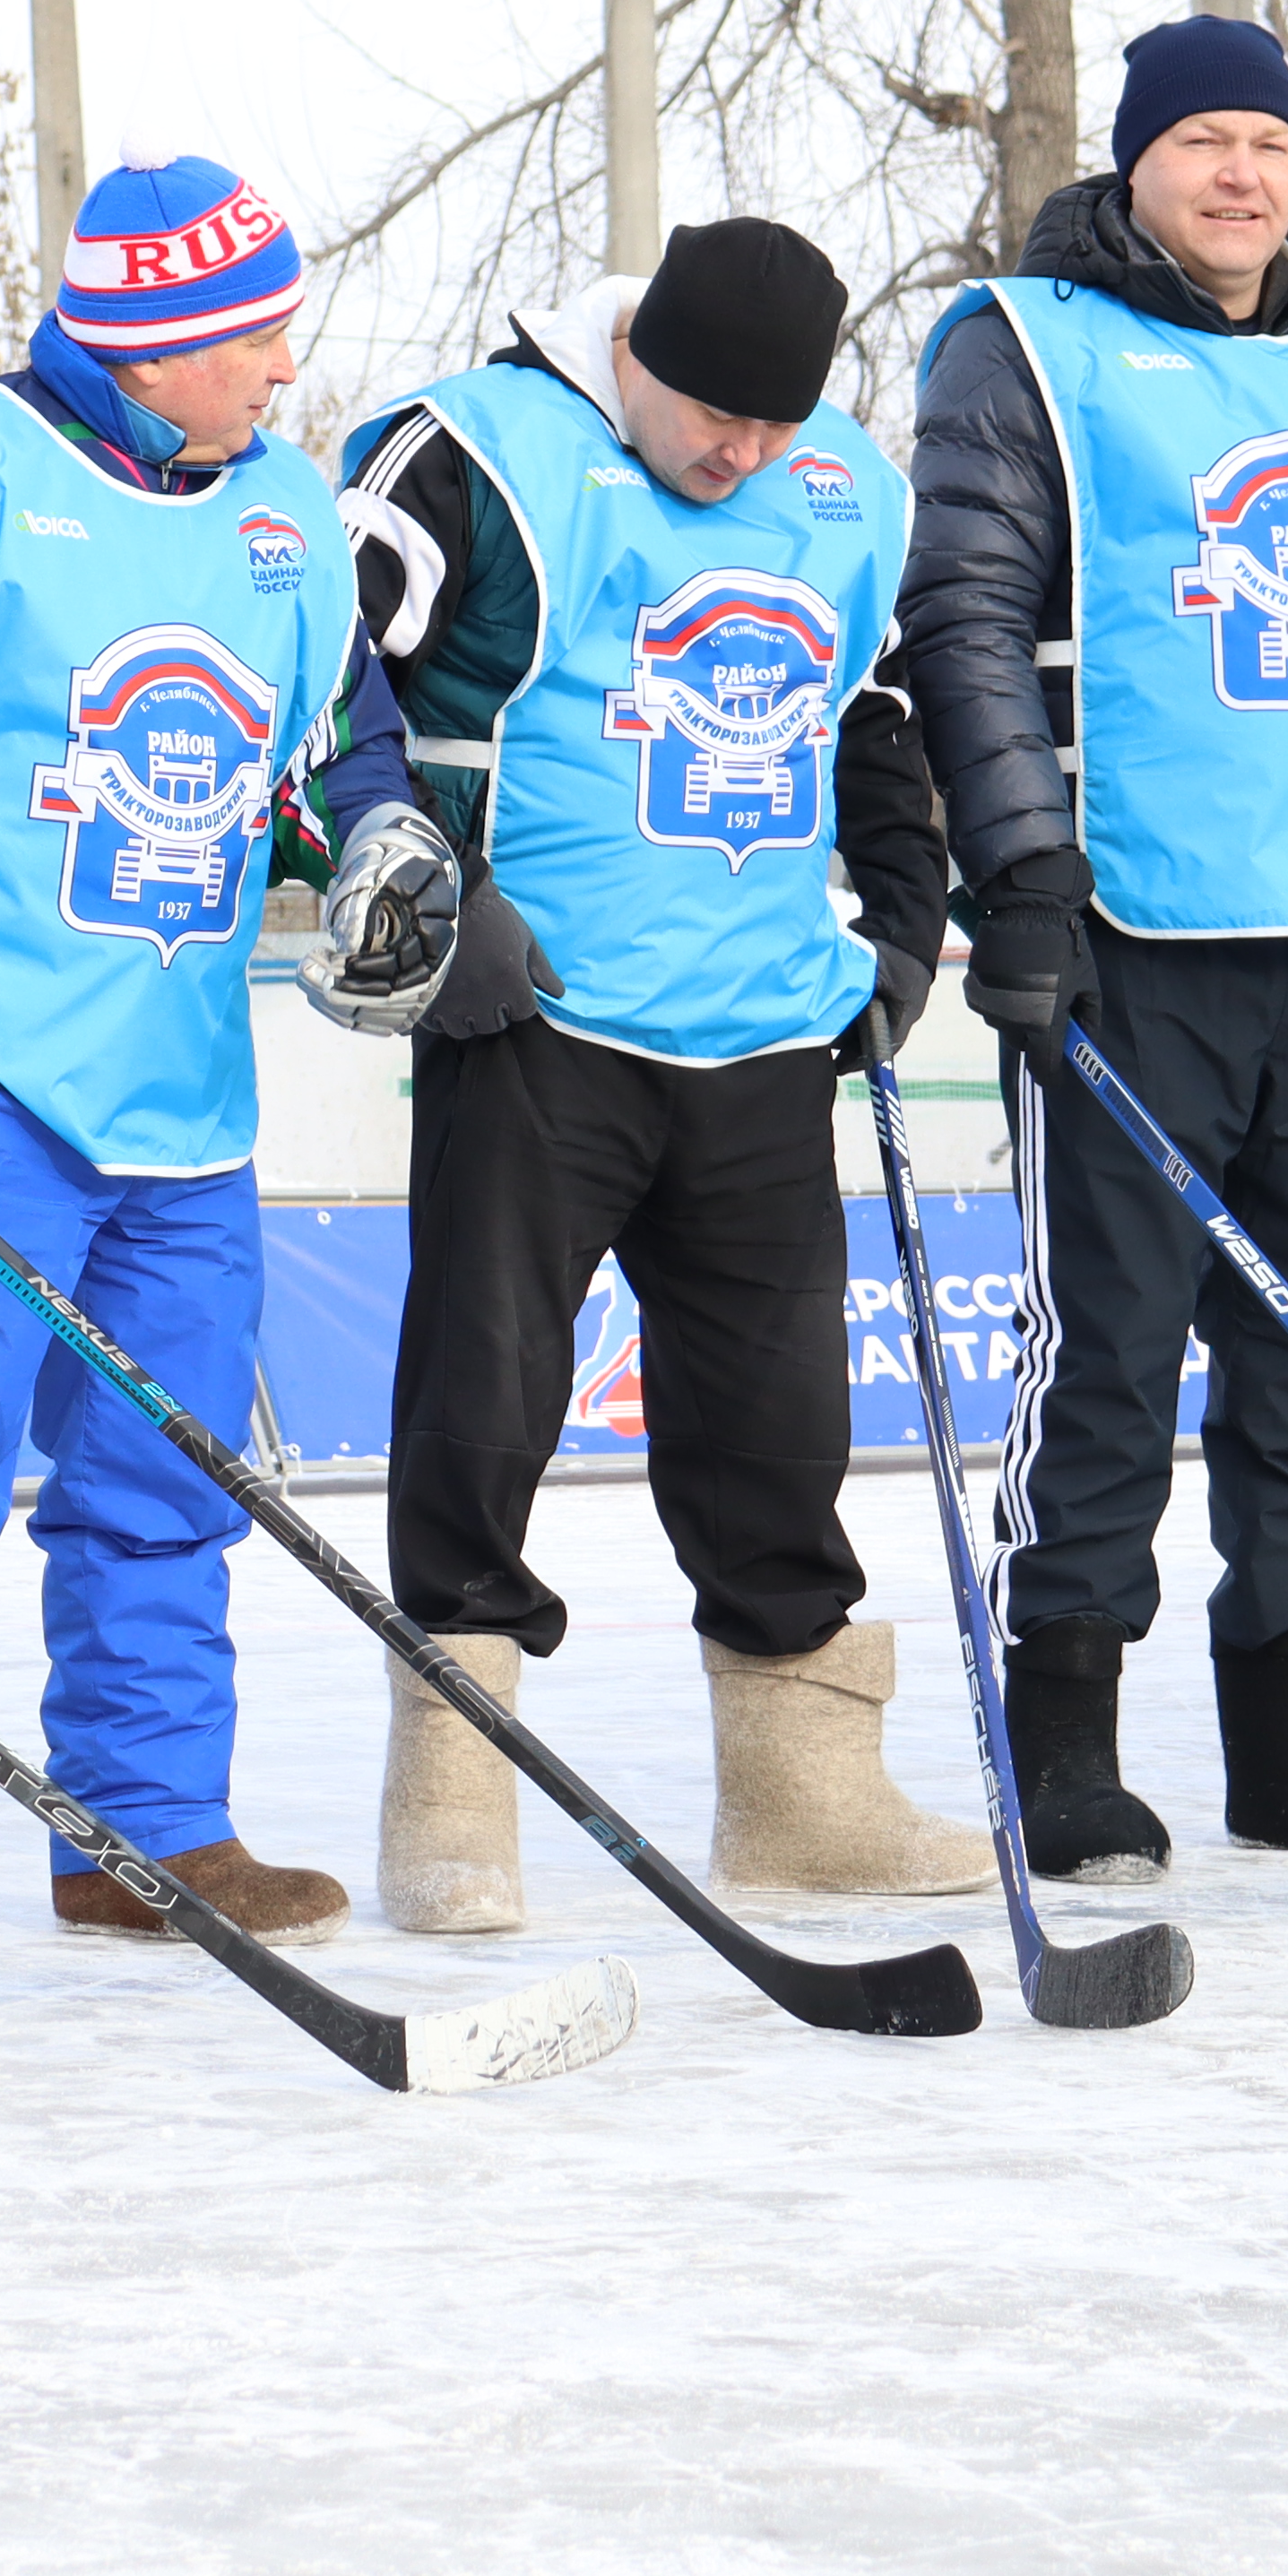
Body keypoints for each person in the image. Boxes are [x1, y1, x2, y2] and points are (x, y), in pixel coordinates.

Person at [0, 148, 445, 1976]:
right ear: (163, 337)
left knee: (167, 1475)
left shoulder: (284, 512)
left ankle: (144, 1826)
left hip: (185, 1093)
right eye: (261, 334)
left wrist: (381, 847)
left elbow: (346, 751)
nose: (289, 368)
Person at [899, 14, 1288, 1879]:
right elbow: (964, 612)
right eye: (1203, 143)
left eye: (1270, 141)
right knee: (1106, 1348)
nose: (1241, 175)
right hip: (1124, 926)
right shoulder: (1027, 343)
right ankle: (1072, 1723)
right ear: (1135, 159)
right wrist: (1014, 868)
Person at [334, 216, 984, 1932]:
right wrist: (425, 893)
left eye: (776, 427)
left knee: (780, 1434)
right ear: (634, 350)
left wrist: (904, 935)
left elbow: (874, 723)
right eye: (712, 417)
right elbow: (311, 689)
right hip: (538, 1021)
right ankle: (454, 1808)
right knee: (480, 1412)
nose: (741, 457)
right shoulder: (469, 452)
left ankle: (803, 1797)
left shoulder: (844, 487)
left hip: (764, 1031)